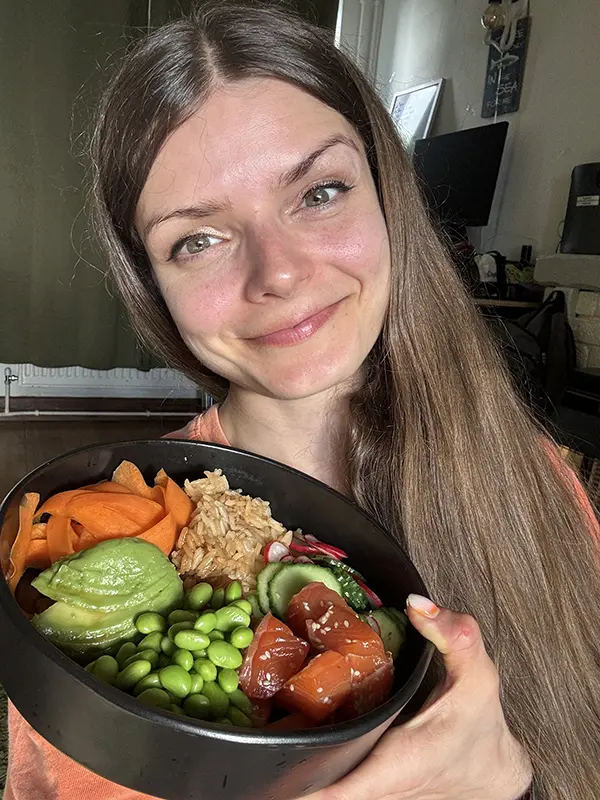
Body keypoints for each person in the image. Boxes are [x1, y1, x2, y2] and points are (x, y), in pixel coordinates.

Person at [6, 3, 600, 799]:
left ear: (389, 197)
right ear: (153, 288)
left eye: (320, 192)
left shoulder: (539, 482)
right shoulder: (81, 579)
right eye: (198, 239)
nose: (278, 273)